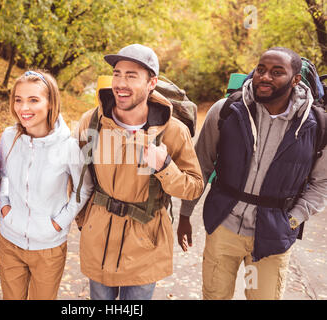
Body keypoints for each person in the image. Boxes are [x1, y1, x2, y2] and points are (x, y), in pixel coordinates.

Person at [179, 47, 327, 300]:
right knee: (215, 296)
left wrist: (291, 220)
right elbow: (201, 164)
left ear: (295, 80)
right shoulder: (226, 111)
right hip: (223, 228)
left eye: (277, 72)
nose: (265, 77)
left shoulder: (317, 125)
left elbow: (321, 184)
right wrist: (185, 213)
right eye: (261, 69)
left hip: (272, 238)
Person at [74, 44, 204, 300]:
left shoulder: (172, 131)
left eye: (131, 76)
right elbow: (77, 176)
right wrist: (84, 220)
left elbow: (194, 187)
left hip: (146, 241)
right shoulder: (92, 121)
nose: (120, 83)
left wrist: (165, 167)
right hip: (98, 239)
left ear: (151, 82)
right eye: (117, 73)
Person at [0, 70, 93, 300]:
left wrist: (59, 223)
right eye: (18, 100)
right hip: (9, 241)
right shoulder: (9, 138)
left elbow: (84, 189)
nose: (23, 108)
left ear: (50, 103)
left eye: (33, 100)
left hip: (49, 247)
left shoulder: (68, 147)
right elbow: (2, 175)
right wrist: (5, 207)